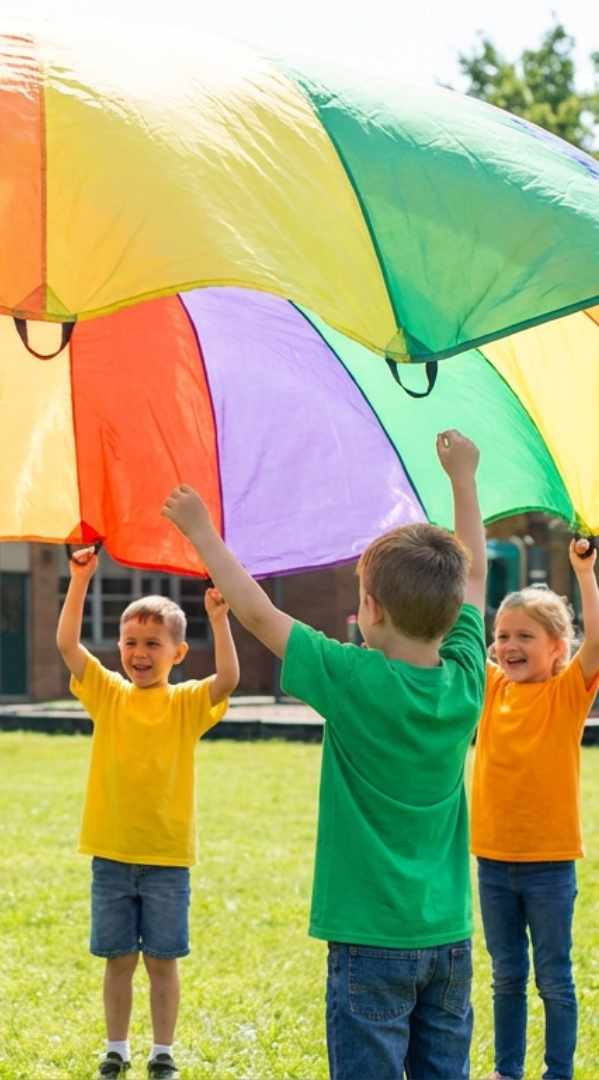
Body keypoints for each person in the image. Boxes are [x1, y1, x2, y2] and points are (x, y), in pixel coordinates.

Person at [163, 429, 488, 1080]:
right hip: (448, 939)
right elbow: (476, 571)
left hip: (369, 939)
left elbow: (256, 615)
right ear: (451, 615)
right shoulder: (466, 679)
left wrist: (201, 532)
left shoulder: (353, 680)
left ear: (369, 609)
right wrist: (463, 478)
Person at [57, 548, 239, 1080]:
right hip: (111, 854)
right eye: (131, 643)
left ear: (177, 652)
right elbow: (68, 644)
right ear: (119, 648)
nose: (140, 653)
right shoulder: (107, 694)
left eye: (153, 644)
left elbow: (227, 677)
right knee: (118, 960)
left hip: (166, 858)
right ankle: (117, 1048)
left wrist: (220, 620)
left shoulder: (185, 703)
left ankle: (163, 1052)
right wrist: (80, 579)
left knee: (163, 962)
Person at [471, 539, 599, 1080]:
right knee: (506, 977)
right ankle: (508, 1070)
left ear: (557, 648)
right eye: (502, 636)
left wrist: (584, 573)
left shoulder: (567, 693)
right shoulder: (490, 688)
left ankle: (558, 1072)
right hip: (492, 861)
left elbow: (597, 638)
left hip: (550, 864)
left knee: (553, 977)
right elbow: (455, 636)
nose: (509, 645)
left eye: (525, 636)